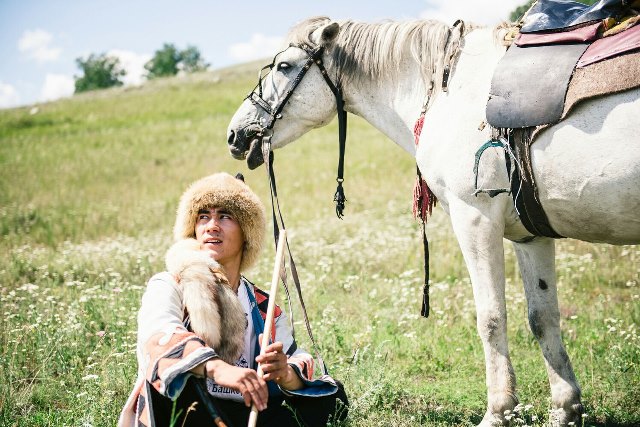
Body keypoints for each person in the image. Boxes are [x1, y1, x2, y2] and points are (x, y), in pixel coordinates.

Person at [119, 172, 348, 427]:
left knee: (333, 395)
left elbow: (298, 358)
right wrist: (219, 369)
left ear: (247, 232)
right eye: (203, 216)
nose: (211, 225)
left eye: (225, 216)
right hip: (191, 409)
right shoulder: (170, 284)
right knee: (179, 385)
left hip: (243, 411)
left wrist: (285, 373)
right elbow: (158, 334)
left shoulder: (263, 305)